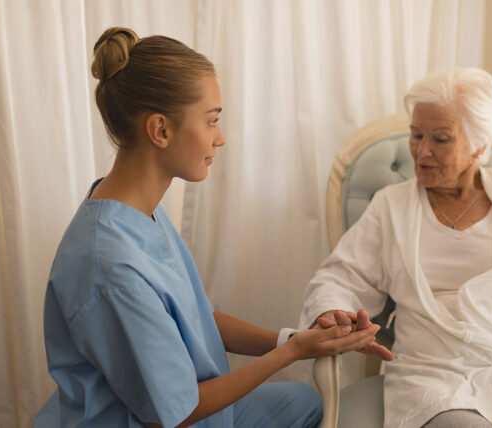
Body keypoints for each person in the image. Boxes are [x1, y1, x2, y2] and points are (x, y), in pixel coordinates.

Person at [33, 27, 380, 428]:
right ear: (161, 130)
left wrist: (294, 339)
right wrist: (292, 353)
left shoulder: (137, 211)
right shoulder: (111, 267)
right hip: (159, 419)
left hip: (187, 407)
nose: (221, 138)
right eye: (211, 121)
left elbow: (199, 318)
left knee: (304, 401)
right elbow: (173, 415)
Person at [300, 68, 492, 428]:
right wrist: (334, 313)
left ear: (480, 145)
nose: (421, 151)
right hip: (431, 371)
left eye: (441, 139)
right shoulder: (390, 205)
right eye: (416, 134)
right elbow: (340, 277)